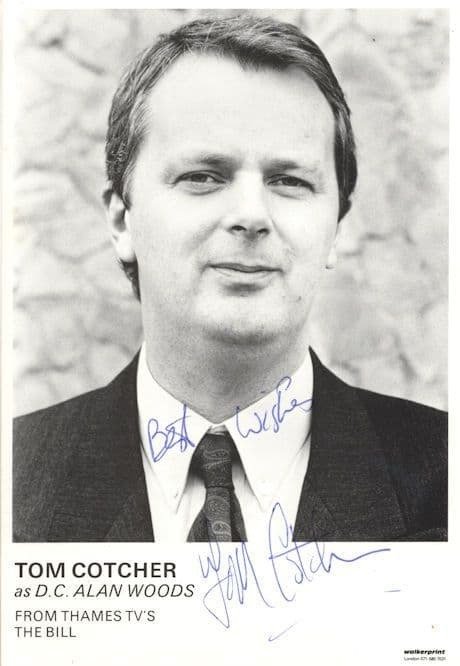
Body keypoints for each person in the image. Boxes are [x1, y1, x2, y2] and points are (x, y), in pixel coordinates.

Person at [13, 14, 447, 543]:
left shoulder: (443, 478)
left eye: (289, 180)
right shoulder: (16, 479)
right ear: (122, 220)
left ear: (335, 228)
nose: (251, 215)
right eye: (203, 176)